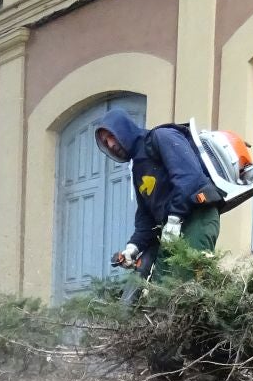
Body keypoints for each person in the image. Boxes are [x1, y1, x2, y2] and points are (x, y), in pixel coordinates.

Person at [94, 108, 222, 278]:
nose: (110, 145)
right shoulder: (138, 167)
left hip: (198, 218)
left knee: (187, 283)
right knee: (159, 290)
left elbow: (190, 178)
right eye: (105, 142)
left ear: (122, 128)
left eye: (111, 136)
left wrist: (174, 218)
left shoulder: (161, 136)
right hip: (170, 231)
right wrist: (133, 247)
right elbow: (146, 215)